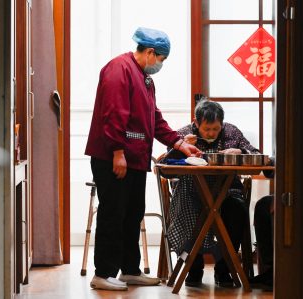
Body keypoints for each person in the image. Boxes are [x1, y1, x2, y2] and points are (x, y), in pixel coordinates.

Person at [84, 27, 201, 291]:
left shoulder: (145, 79)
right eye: (161, 59)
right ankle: (102, 273)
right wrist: (117, 152)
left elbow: (154, 118)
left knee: (132, 214)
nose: (160, 64)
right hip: (114, 157)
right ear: (150, 52)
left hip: (135, 158)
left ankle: (129, 270)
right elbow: (113, 114)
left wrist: (180, 144)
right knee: (113, 213)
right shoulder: (119, 70)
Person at [166, 99, 262, 288]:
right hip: (191, 191)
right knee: (187, 209)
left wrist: (240, 150)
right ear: (196, 123)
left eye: (215, 129)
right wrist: (182, 146)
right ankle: (193, 267)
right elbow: (167, 162)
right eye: (206, 129)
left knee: (237, 210)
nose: (211, 133)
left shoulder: (232, 132)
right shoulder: (185, 133)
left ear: (222, 124)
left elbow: (256, 154)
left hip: (228, 191)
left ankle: (224, 269)